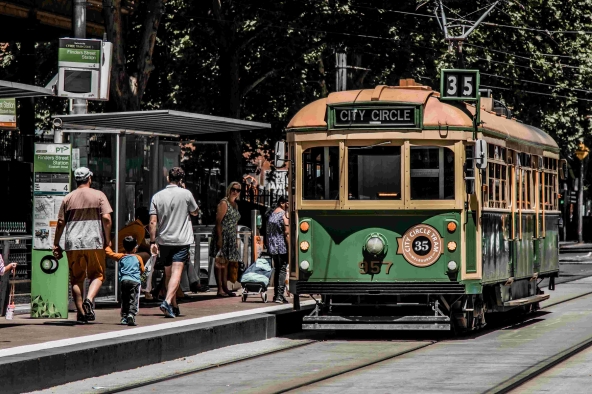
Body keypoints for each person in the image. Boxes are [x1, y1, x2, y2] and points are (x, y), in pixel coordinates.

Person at [53, 167, 112, 324]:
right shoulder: (99, 195)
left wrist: (56, 243)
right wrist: (107, 239)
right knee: (98, 275)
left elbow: (60, 223)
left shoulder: (68, 198)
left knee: (76, 278)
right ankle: (89, 300)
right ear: (89, 179)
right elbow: (107, 219)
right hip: (94, 241)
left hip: (73, 243)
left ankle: (81, 313)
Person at [149, 167, 199, 318]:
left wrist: (152, 241)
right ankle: (167, 301)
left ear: (168, 178)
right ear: (181, 180)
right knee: (176, 274)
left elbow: (152, 222)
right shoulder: (186, 194)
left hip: (164, 240)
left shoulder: (157, 196)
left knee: (168, 274)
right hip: (181, 240)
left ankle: (174, 306)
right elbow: (195, 211)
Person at [209, 181, 242, 297]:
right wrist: (219, 238)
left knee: (226, 263)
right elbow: (218, 222)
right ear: (229, 189)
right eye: (234, 189)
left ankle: (225, 287)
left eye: (238, 190)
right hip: (223, 235)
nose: (235, 192)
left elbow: (235, 223)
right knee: (220, 262)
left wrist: (236, 238)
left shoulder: (235, 205)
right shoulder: (224, 203)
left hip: (231, 236)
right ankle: (219, 289)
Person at [106, 236, 145, 326]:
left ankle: (124, 317)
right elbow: (142, 269)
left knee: (125, 299)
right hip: (135, 281)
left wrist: (106, 244)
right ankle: (131, 314)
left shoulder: (121, 257)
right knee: (133, 299)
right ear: (135, 248)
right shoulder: (138, 258)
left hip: (124, 281)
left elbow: (110, 254)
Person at [266, 196, 290, 303]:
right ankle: (280, 295)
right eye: (288, 203)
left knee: (277, 269)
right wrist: (290, 249)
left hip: (273, 246)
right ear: (282, 203)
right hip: (282, 246)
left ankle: (277, 295)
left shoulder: (272, 214)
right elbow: (287, 233)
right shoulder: (284, 215)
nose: (289, 205)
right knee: (282, 269)